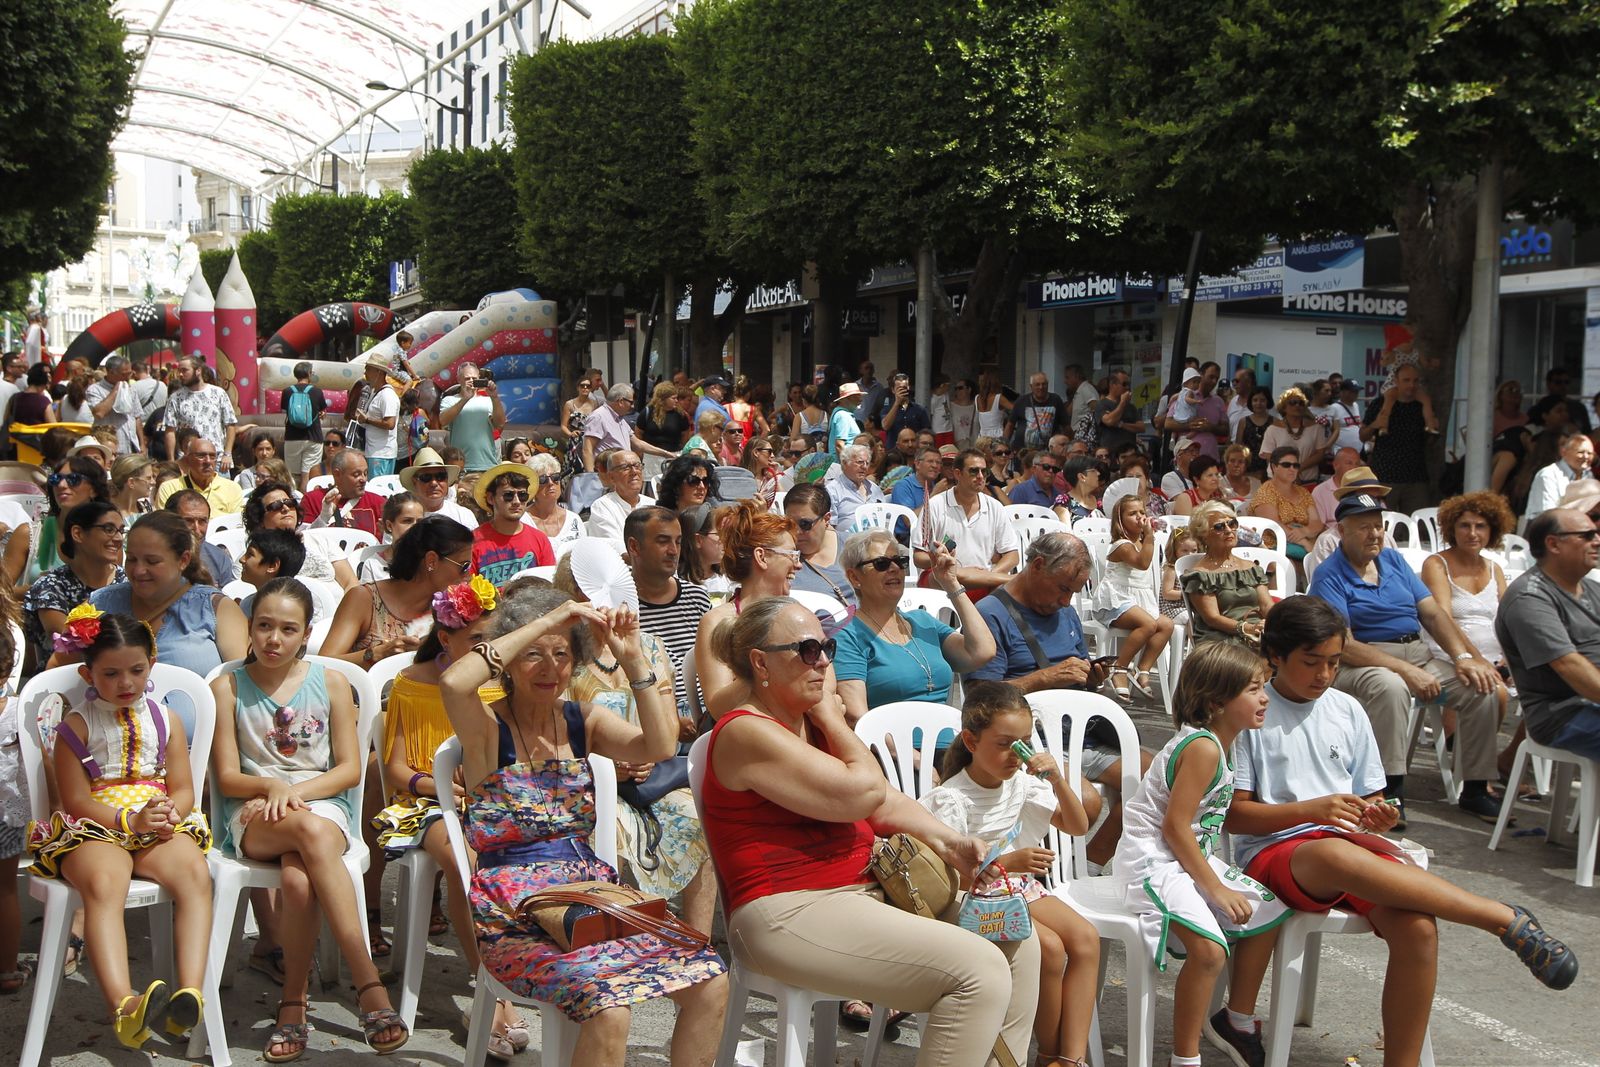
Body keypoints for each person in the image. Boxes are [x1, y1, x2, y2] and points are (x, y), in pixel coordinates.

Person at [1206, 596, 1578, 1067]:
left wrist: (1376, 815)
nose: (1324, 674)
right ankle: (1501, 917)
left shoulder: (1346, 708)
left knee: (1419, 929)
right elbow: (1234, 816)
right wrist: (1313, 810)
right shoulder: (1251, 710)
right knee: (1334, 855)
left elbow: (1373, 799)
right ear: (1274, 657)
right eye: (1311, 662)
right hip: (1275, 854)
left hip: (1347, 848)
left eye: (1334, 662)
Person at [704, 596, 1040, 1067]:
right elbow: (861, 793)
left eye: (827, 647)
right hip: (786, 910)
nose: (823, 661)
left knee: (1015, 936)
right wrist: (832, 717)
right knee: (978, 971)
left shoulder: (807, 726)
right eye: (806, 650)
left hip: (865, 891)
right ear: (761, 662)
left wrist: (949, 841)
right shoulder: (746, 731)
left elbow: (882, 799)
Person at [437, 584, 728, 1064]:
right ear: (508, 660)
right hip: (512, 910)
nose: (550, 668)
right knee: (609, 1006)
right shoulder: (488, 730)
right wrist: (552, 620)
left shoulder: (582, 721)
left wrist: (633, 660)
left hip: (593, 896)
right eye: (533, 655)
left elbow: (658, 746)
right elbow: (453, 683)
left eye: (562, 654)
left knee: (711, 978)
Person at [210, 578, 409, 1059]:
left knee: (299, 879)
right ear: (250, 627)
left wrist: (294, 791)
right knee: (306, 830)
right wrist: (271, 787)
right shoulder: (227, 686)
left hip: (321, 804)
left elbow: (348, 768)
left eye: (287, 629)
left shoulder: (332, 681)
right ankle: (367, 983)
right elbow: (227, 777)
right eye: (263, 626)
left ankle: (293, 1004)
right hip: (254, 812)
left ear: (306, 633)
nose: (273, 639)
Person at [26, 609, 212, 1050]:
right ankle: (125, 1006)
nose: (126, 682)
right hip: (95, 826)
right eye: (110, 673)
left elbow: (184, 788)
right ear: (87, 672)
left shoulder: (167, 720)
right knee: (106, 882)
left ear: (152, 662)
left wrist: (170, 811)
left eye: (137, 669)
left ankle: (189, 993)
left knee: (194, 874)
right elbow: (76, 800)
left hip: (153, 822)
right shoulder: (75, 727)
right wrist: (127, 820)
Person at [369, 576, 526, 1055]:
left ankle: (508, 974)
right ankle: (489, 984)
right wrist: (439, 785)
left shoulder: (501, 686)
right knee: (465, 863)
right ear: (446, 639)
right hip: (425, 803)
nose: (487, 650)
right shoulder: (411, 686)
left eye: (492, 639)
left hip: (490, 798)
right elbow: (395, 767)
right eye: (476, 640)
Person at [1115, 643, 1283, 1067]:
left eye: (1264, 687)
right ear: (1216, 702)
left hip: (1186, 856)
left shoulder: (1225, 744)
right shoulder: (1204, 748)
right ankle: (1185, 1058)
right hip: (1153, 859)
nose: (1265, 697)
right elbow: (1173, 827)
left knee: (1268, 910)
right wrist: (1215, 888)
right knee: (1209, 952)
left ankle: (1235, 1019)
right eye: (1253, 689)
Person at [921, 681, 1097, 1067]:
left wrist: (1057, 779)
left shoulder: (1020, 784)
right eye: (1004, 744)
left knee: (1085, 938)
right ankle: (1049, 1054)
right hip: (977, 899)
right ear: (970, 741)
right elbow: (951, 879)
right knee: (1049, 948)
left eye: (1023, 744)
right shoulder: (952, 797)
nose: (1016, 755)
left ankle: (1071, 1057)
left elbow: (1078, 826)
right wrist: (1009, 863)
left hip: (1018, 889)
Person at [1308, 490, 1504, 824]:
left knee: (1480, 686)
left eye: (1379, 526)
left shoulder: (1394, 561)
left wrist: (1462, 657)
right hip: (1363, 661)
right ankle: (1388, 792)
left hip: (1417, 653)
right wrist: (1405, 671)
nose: (1375, 534)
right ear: (1342, 531)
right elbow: (1345, 644)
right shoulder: (1330, 574)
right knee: (1391, 687)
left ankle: (1474, 788)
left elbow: (1432, 614)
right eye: (1364, 527)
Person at [834, 529, 995, 722]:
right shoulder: (848, 634)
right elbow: (856, 715)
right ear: (855, 578)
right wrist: (909, 753)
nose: (894, 568)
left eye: (900, 561)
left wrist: (951, 583)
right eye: (881, 563)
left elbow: (982, 651)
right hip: (894, 748)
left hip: (950, 743)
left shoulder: (923, 621)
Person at [83, 511, 247, 690]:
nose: (138, 570)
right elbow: (66, 671)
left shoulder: (218, 608)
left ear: (183, 560)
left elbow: (241, 686)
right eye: (131, 559)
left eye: (152, 561)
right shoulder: (100, 604)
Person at [1496, 507, 1600, 763]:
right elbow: (1569, 665)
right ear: (1553, 543)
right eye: (1586, 535)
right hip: (1563, 713)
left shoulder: (1592, 589)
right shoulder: (1530, 598)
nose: (1597, 540)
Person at [320, 515, 475, 668]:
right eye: (464, 566)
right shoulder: (364, 598)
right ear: (432, 561)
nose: (468, 575)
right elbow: (326, 663)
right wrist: (378, 654)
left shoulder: (449, 608)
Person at [693, 502, 801, 717]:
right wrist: (768, 665)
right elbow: (718, 707)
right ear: (761, 557)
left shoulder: (798, 616)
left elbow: (828, 689)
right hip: (745, 732)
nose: (799, 565)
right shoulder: (717, 622)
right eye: (792, 555)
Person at [1092, 488, 1175, 701]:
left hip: (1138, 599)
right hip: (1114, 600)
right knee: (1148, 624)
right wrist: (1149, 537)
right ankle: (1119, 669)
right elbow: (1142, 563)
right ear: (1120, 520)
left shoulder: (1142, 542)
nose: (1140, 517)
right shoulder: (1121, 545)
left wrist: (1149, 538)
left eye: (1141, 512)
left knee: (1166, 625)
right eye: (1132, 514)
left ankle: (1142, 670)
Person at [22, 500, 125, 671]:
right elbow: (70, 645)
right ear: (78, 533)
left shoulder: (129, 582)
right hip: (66, 681)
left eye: (121, 531)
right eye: (109, 529)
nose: (118, 538)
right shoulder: (51, 587)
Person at [920, 449, 1020, 594]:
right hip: (943, 577)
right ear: (958, 474)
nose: (980, 476)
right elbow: (918, 556)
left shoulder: (995, 507)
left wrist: (988, 576)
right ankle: (1013, 578)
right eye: (973, 471)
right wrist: (951, 566)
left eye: (984, 472)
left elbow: (1012, 555)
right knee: (951, 574)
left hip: (985, 580)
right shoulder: (935, 505)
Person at [1180, 500, 1271, 649]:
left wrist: (1271, 622)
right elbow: (1213, 619)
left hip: (1257, 630)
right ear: (1204, 536)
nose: (1229, 530)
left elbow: (1266, 605)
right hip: (1221, 637)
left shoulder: (1252, 568)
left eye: (1232, 523)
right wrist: (1247, 628)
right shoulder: (1200, 575)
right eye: (1219, 527)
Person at [242, 481, 358, 590]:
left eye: (289, 502)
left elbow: (351, 584)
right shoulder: (253, 556)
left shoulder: (319, 540)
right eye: (276, 506)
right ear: (260, 518)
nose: (286, 508)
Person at [1360, 364, 1438, 515]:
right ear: (1396, 381)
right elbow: (1363, 435)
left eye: (1415, 381)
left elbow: (1431, 441)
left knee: (1417, 525)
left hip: (1416, 478)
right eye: (1406, 380)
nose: (1412, 385)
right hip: (1385, 475)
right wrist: (1376, 424)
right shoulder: (1380, 403)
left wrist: (1429, 416)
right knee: (1383, 523)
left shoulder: (1422, 405)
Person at [28, 455, 112, 586]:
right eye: (56, 479)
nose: (61, 485)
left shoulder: (109, 535)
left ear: (94, 490)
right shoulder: (30, 534)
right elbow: (4, 590)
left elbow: (116, 586)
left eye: (73, 479)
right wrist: (41, 589)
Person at [472, 462, 555, 585]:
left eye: (522, 495)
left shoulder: (540, 540)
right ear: (490, 498)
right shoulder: (472, 542)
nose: (516, 502)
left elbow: (550, 587)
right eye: (508, 495)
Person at [783, 483, 858, 611]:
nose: (797, 531)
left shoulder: (855, 548)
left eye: (804, 524)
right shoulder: (781, 555)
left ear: (827, 519)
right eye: (789, 524)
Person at [160, 356, 237, 473]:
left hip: (217, 460)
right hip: (188, 461)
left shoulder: (218, 393)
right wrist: (171, 460)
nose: (180, 374)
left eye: (184, 370)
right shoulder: (175, 398)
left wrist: (228, 453)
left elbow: (230, 425)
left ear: (198, 371)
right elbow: (170, 430)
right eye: (179, 371)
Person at [1250, 446, 1324, 560]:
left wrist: (1305, 531)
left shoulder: (1303, 492)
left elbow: (1316, 522)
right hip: (1272, 547)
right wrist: (1305, 543)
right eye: (1286, 465)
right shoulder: (1265, 493)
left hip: (1303, 541)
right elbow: (1274, 526)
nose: (1292, 469)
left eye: (1296, 465)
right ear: (1274, 467)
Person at [438, 363, 506, 473]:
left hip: (487, 464)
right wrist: (465, 399)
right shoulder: (450, 400)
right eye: (467, 378)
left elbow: (500, 424)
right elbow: (443, 421)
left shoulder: (488, 400)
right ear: (458, 379)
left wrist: (494, 397)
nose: (470, 381)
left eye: (474, 378)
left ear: (479, 379)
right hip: (460, 465)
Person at [301, 448, 385, 535]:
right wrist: (323, 517)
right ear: (337, 474)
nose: (363, 479)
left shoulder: (378, 503)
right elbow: (305, 540)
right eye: (356, 474)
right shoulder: (312, 500)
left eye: (365, 473)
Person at [164, 489, 235, 590]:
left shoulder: (219, 558)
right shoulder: (152, 558)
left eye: (202, 521)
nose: (197, 530)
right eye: (188, 521)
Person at [155, 436, 243, 515]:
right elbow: (165, 525)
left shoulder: (232, 488)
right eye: (201, 456)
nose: (208, 461)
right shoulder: (169, 488)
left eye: (212, 456)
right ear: (188, 459)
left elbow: (236, 525)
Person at [349, 354, 401, 478]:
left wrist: (367, 419)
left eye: (368, 369)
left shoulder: (387, 395)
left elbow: (390, 423)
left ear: (378, 372)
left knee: (378, 489)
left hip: (381, 453)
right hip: (374, 450)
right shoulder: (376, 393)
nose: (365, 372)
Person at [354, 493, 424, 584]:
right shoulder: (373, 565)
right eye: (407, 521)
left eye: (420, 522)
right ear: (389, 525)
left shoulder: (430, 560)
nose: (415, 526)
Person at [1526, 425, 1595, 515]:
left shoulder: (1588, 475)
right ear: (1564, 452)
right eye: (1580, 452)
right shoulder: (1548, 475)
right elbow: (1549, 515)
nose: (1586, 457)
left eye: (1589, 453)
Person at [279, 361, 327, 490]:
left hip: (292, 437)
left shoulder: (287, 391)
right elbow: (322, 410)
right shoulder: (317, 391)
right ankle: (305, 505)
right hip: (313, 437)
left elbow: (286, 410)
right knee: (307, 475)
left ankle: (294, 503)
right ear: (309, 373)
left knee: (292, 475)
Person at [588, 450, 656, 538]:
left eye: (637, 466)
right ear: (611, 477)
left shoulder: (653, 505)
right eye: (625, 467)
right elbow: (613, 545)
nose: (634, 472)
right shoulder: (602, 506)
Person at [85, 356, 142, 456]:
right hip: (111, 449)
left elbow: (136, 417)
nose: (128, 377)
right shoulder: (95, 390)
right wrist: (116, 390)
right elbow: (99, 413)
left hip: (132, 446)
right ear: (111, 372)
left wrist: (142, 444)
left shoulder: (131, 389)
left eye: (130, 373)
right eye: (124, 374)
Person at [676, 503, 734, 601]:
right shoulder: (675, 585)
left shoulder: (730, 578)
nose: (726, 539)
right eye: (720, 533)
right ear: (698, 540)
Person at [825, 443, 885, 535]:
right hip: (848, 544)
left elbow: (886, 518)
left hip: (878, 540)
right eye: (860, 462)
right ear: (844, 463)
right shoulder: (832, 490)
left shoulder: (875, 489)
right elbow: (829, 527)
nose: (864, 467)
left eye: (867, 463)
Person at [1011, 373, 1070, 451]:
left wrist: (1070, 445)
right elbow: (1010, 425)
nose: (1041, 387)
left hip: (1048, 452)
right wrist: (1003, 444)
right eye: (1037, 385)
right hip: (1023, 452)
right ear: (1031, 386)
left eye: (1044, 384)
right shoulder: (1021, 401)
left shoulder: (1055, 400)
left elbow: (1066, 425)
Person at [1094, 370, 1145, 458]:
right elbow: (1109, 421)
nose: (1127, 387)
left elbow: (1141, 427)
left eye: (1129, 384)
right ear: (1113, 384)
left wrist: (1122, 425)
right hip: (1110, 454)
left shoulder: (1131, 407)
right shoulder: (1102, 404)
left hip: (1129, 453)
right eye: (1124, 384)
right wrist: (1122, 403)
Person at [1311, 447, 1362, 526]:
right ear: (1335, 465)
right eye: (1349, 463)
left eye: (1357, 464)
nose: (1354, 468)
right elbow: (1318, 526)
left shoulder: (1365, 488)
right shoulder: (1320, 491)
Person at [641, 381, 691, 453]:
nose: (676, 401)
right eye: (673, 398)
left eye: (676, 398)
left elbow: (685, 437)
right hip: (651, 455)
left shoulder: (680, 415)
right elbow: (639, 434)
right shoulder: (647, 412)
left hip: (673, 454)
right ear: (663, 399)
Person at [1053, 456, 1102, 522]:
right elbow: (1064, 531)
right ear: (1082, 477)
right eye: (1094, 471)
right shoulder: (1064, 503)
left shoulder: (1100, 502)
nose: (1098, 473)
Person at [829, 381, 865, 458]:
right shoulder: (843, 415)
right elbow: (839, 445)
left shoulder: (844, 415)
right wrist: (847, 465)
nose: (860, 399)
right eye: (857, 396)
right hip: (843, 466)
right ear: (848, 398)